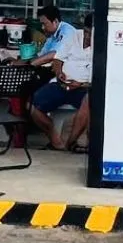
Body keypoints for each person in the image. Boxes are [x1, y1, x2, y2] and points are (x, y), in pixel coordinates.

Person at [29, 12, 93, 151]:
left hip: (83, 88)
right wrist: (59, 73)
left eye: (91, 34)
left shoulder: (103, 45)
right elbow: (57, 59)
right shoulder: (73, 36)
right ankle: (56, 141)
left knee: (90, 103)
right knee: (32, 105)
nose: (88, 37)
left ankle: (71, 142)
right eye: (87, 32)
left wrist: (81, 84)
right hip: (61, 84)